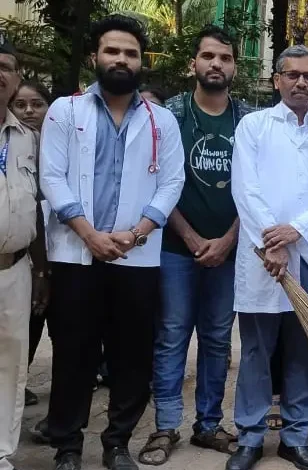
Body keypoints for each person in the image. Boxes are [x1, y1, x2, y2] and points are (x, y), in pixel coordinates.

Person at [39, 15, 185, 470]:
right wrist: (89, 234)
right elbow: (52, 177)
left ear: (142, 62)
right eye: (113, 51)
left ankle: (117, 442)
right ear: (95, 57)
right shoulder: (66, 110)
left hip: (135, 256)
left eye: (131, 53)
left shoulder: (162, 121)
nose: (121, 60)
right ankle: (67, 446)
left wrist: (139, 231)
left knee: (131, 355)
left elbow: (171, 182)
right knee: (73, 353)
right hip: (76, 255)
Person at [226, 45, 308, 470]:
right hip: (265, 258)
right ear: (276, 79)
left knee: (304, 350)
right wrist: (273, 242)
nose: (301, 82)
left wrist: (296, 231)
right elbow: (245, 189)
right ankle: (250, 436)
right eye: (292, 74)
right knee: (258, 351)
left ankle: (296, 437)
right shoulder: (254, 126)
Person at [138, 25, 247, 466]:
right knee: (171, 337)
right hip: (175, 248)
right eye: (208, 57)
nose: (216, 64)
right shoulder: (170, 117)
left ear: (234, 67)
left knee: (219, 339)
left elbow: (258, 189)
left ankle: (208, 424)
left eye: (224, 57)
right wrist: (191, 236)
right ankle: (165, 426)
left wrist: (227, 240)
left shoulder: (248, 121)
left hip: (230, 250)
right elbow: (159, 182)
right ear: (194, 64)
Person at [0, 40, 48, 470]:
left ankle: (1, 455)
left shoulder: (26, 139)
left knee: (10, 367)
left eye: (5, 67)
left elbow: (34, 206)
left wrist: (39, 272)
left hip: (15, 269)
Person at [10, 80, 52, 408]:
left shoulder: (57, 145)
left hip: (62, 252)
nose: (28, 111)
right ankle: (15, 382)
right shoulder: (8, 146)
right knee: (25, 323)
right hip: (24, 255)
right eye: (20, 104)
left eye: (37, 104)